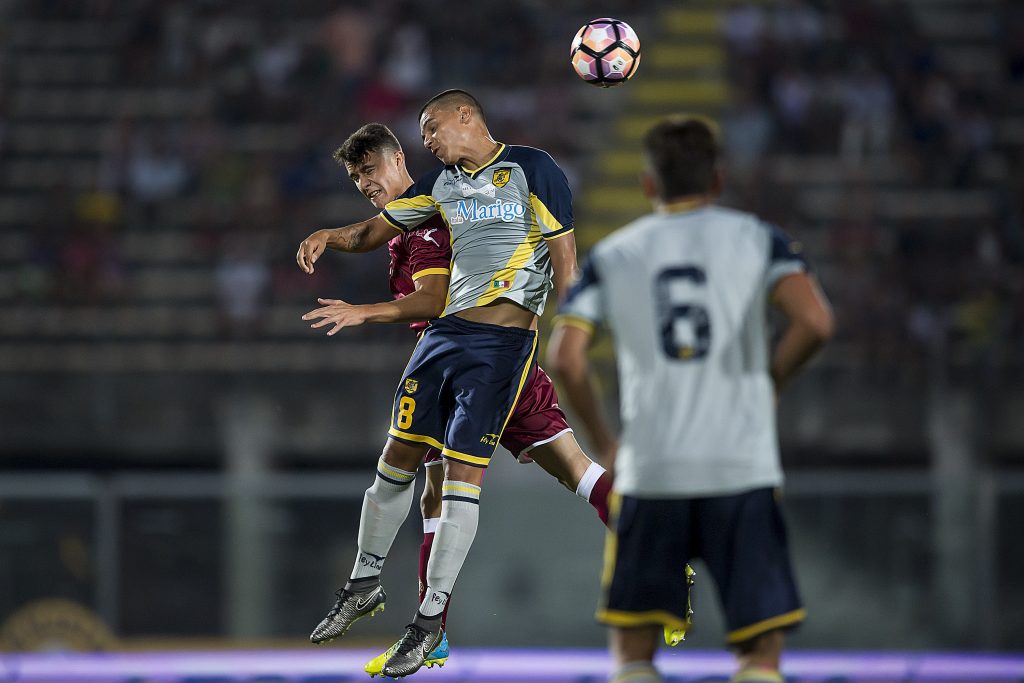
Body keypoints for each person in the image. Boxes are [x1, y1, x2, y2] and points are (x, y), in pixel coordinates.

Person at [300, 121, 614, 675]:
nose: (365, 184)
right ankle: (422, 623)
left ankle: (429, 625)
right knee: (445, 488)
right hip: (453, 356)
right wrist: (332, 235)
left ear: (399, 159)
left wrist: (363, 312)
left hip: (484, 356)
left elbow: (435, 298)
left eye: (370, 170)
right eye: (356, 178)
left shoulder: (429, 223)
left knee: (475, 483)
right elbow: (376, 238)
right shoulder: (414, 214)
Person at [547, 116, 834, 683]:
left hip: (652, 472)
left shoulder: (615, 254)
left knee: (635, 655)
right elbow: (815, 323)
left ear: (648, 184)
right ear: (718, 179)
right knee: (759, 656)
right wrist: (769, 385)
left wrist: (605, 442)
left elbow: (565, 358)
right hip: (741, 467)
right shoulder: (758, 238)